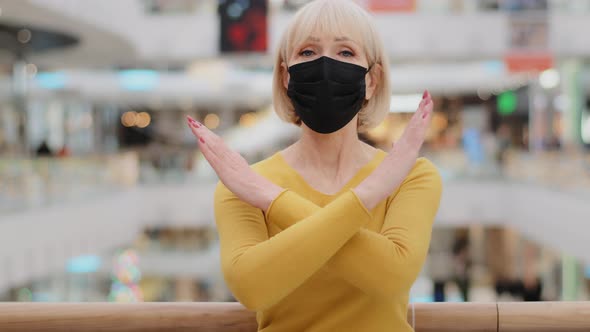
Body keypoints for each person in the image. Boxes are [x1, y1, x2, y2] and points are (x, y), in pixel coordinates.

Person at [186, 0, 442, 330]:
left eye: (346, 52)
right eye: (307, 52)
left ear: (372, 81)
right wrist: (369, 194)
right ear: (285, 77)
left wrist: (272, 200)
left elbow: (390, 277)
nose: (324, 65)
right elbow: (251, 287)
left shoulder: (411, 177)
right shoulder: (242, 184)